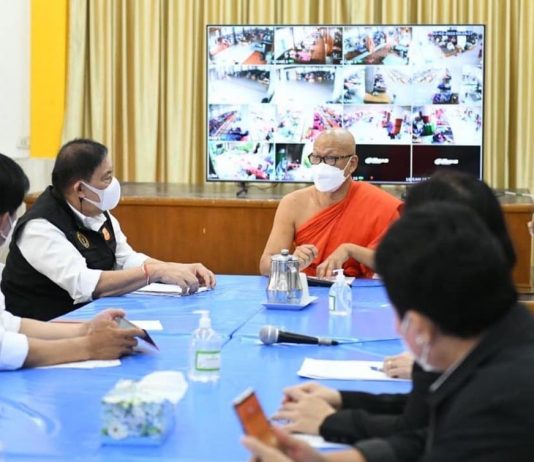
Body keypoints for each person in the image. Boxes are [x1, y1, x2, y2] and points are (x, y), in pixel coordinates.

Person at [243, 203, 534, 461]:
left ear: (419, 326)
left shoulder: (500, 400)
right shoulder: (508, 334)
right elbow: (426, 435)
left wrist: (334, 422)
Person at [2, 139, 215, 321]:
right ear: (80, 188)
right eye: (107, 177)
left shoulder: (95, 210)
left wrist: (175, 269)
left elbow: (125, 258)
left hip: (89, 318)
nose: (113, 184)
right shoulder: (40, 227)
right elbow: (84, 284)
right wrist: (154, 272)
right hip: (45, 327)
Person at [0, 153, 143, 369]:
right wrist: (89, 347)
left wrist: (85, 329)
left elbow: (7, 324)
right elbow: (3, 347)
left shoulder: (97, 212)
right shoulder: (40, 224)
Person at [259, 129, 401, 278]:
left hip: (357, 289)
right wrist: (291, 262)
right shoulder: (293, 203)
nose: (322, 167)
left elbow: (397, 263)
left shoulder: (380, 204)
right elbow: (265, 265)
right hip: (307, 288)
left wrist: (350, 250)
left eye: (330, 158)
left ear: (352, 164)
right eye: (316, 157)